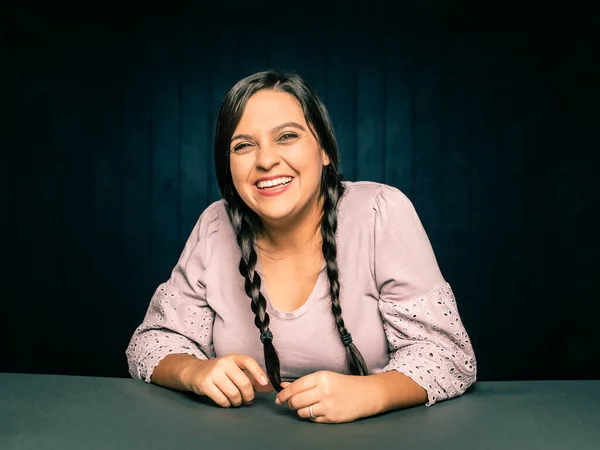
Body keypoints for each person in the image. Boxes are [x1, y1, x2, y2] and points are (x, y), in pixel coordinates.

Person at [125, 70, 477, 424]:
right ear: (227, 165)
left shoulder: (380, 213)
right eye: (244, 145)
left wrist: (371, 393)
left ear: (324, 149)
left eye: (287, 136)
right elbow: (152, 342)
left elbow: (448, 356)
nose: (266, 161)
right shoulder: (216, 226)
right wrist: (195, 372)